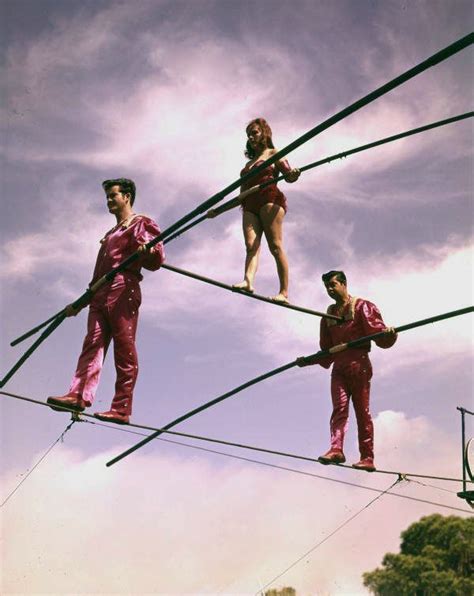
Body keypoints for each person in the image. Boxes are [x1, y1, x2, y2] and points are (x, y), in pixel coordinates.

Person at [47, 178, 164, 424]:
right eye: (108, 197)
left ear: (127, 197)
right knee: (92, 343)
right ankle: (78, 395)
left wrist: (148, 252)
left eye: (113, 196)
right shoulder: (111, 233)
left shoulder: (140, 223)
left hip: (124, 287)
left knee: (124, 348)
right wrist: (79, 304)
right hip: (100, 291)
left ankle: (121, 408)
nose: (109, 201)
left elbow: (157, 260)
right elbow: (100, 272)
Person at [298, 270, 397, 471]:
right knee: (339, 410)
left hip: (359, 364)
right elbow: (327, 352)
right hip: (339, 368)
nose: (329, 289)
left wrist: (389, 334)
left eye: (333, 284)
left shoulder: (362, 306)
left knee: (362, 412)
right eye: (327, 286)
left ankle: (367, 457)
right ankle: (336, 449)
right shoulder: (328, 316)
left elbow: (379, 336)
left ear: (344, 284)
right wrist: (307, 361)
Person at [210, 118, 299, 303]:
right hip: (250, 204)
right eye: (249, 134)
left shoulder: (273, 153)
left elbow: (289, 176)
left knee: (275, 246)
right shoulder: (247, 167)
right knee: (251, 246)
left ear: (264, 133)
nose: (251, 137)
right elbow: (240, 197)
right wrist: (217, 211)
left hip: (269, 199)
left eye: (255, 132)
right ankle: (248, 281)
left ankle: (284, 292)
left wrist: (293, 175)